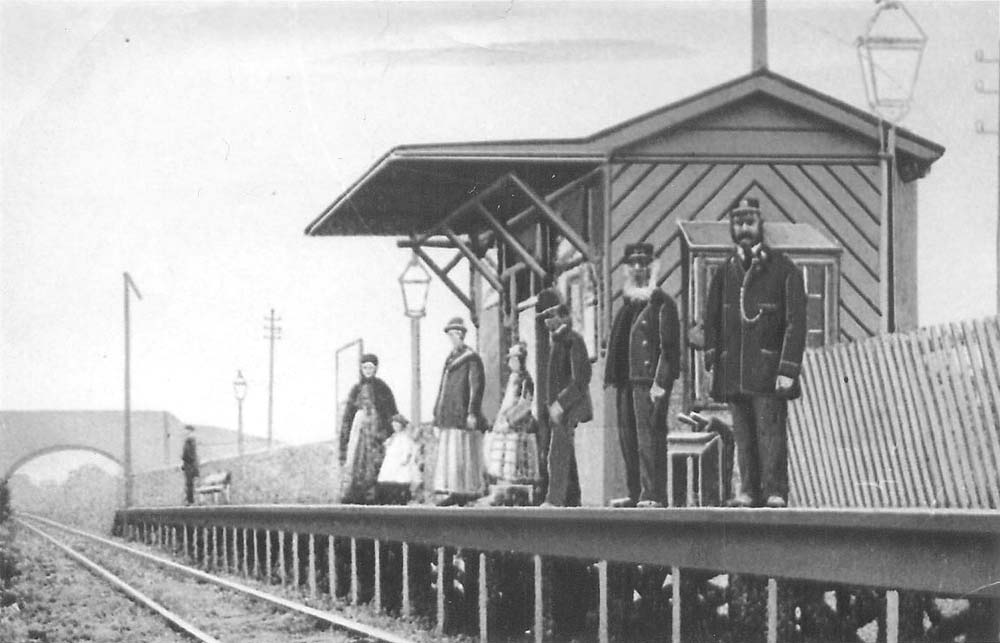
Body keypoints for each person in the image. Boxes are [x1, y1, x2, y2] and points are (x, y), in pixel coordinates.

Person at [703, 197, 806, 508]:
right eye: (738, 223)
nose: (744, 228)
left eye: (749, 222)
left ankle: (775, 491)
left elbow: (796, 322)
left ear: (761, 225)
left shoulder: (783, 269)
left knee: (770, 434)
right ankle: (748, 490)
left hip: (768, 370)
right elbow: (712, 319)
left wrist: (788, 369)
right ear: (732, 228)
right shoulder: (724, 272)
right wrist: (712, 356)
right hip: (734, 368)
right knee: (744, 435)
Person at [604, 242, 680, 508]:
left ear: (653, 268)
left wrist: (661, 382)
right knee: (629, 440)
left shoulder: (662, 305)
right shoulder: (626, 306)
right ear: (627, 270)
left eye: (644, 264)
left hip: (648, 383)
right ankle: (635, 492)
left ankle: (653, 494)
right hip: (626, 381)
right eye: (634, 264)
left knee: (650, 440)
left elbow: (670, 350)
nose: (639, 269)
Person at [536, 289, 592, 507]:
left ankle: (555, 499)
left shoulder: (572, 341)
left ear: (561, 315)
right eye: (545, 318)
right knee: (565, 454)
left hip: (570, 408)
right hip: (559, 410)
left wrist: (560, 403)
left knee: (558, 453)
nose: (547, 322)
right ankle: (572, 498)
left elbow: (582, 378)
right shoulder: (558, 342)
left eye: (550, 316)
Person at [431, 317, 488, 506]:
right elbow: (443, 387)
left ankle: (466, 490)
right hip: (448, 414)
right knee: (451, 453)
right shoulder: (451, 358)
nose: (452, 338)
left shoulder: (471, 358)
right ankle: (454, 490)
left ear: (461, 335)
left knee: (463, 452)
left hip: (462, 413)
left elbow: (476, 386)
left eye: (454, 334)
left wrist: (472, 411)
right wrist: (436, 412)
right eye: (450, 335)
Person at [479, 341, 540, 506]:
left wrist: (510, 420)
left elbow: (525, 403)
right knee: (502, 459)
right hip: (506, 423)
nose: (511, 363)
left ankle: (517, 494)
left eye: (514, 359)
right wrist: (501, 419)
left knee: (516, 460)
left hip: (519, 425)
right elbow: (508, 401)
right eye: (510, 360)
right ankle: (503, 492)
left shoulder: (526, 379)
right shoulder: (513, 378)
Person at [339, 353, 398, 504]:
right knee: (357, 460)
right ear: (361, 368)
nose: (367, 370)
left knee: (377, 461)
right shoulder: (356, 389)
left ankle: (375, 495)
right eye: (365, 367)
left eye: (370, 367)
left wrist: (389, 432)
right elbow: (348, 416)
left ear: (376, 368)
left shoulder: (382, 388)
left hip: (377, 431)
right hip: (358, 432)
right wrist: (344, 440)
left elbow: (391, 411)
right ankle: (356, 495)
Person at [375, 414, 421, 505]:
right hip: (391, 461)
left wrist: (405, 458)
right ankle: (390, 496)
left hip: (399, 462)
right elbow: (388, 446)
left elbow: (407, 448)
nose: (395, 427)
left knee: (400, 479)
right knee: (389, 478)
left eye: (397, 425)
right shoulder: (394, 436)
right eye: (394, 425)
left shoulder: (404, 437)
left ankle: (401, 496)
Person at [181, 424, 199, 505]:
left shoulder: (189, 440)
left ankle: (190, 500)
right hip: (190, 464)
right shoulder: (190, 440)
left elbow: (188, 453)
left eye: (186, 430)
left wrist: (185, 459)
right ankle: (189, 499)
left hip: (189, 464)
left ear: (189, 431)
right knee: (189, 483)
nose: (184, 432)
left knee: (189, 483)